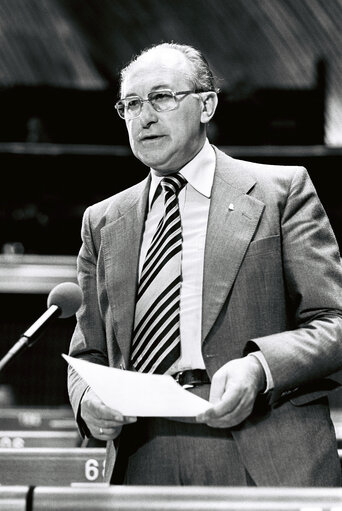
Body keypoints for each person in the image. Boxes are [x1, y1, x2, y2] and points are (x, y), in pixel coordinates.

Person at [68, 42, 342, 487]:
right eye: (131, 104)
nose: (145, 116)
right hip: (143, 455)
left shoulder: (282, 193)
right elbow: (87, 355)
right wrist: (86, 400)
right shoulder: (102, 221)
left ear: (207, 105)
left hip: (263, 447)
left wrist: (259, 368)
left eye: (161, 97)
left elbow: (334, 322)